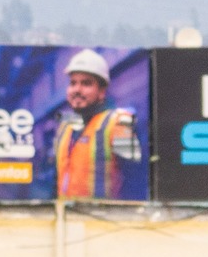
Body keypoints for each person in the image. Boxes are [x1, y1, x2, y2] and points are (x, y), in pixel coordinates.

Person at [48, 49, 141, 199]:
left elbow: (136, 183)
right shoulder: (65, 127)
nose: (77, 90)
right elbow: (57, 179)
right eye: (73, 83)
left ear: (102, 91)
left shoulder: (119, 124)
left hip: (101, 219)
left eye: (86, 83)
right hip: (66, 217)